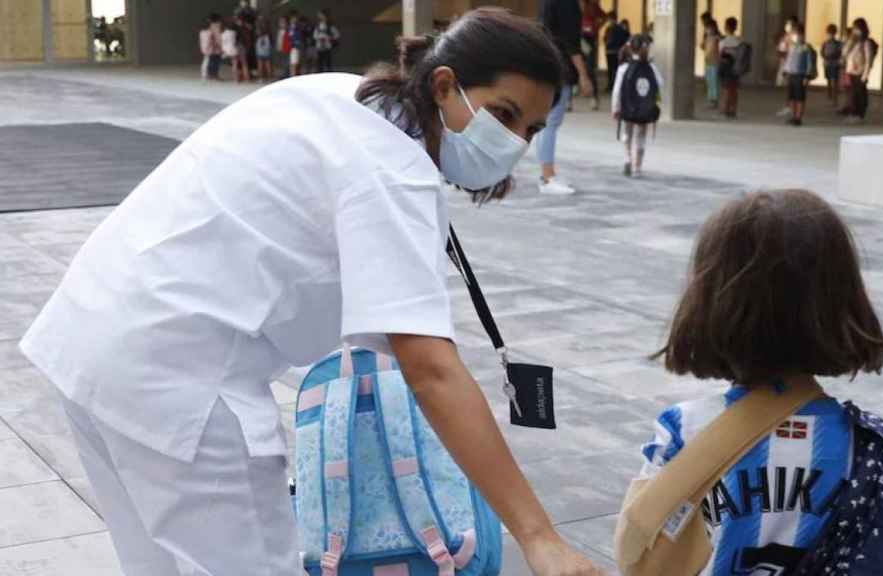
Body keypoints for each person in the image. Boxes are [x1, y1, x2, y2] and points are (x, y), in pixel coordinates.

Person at [19, 8, 604, 576]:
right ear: (446, 86)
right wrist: (540, 537)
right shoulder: (393, 169)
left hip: (91, 340)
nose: (514, 143)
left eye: (530, 129)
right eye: (503, 114)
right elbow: (430, 368)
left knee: (155, 566)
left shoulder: (341, 96)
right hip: (179, 379)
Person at [640, 189, 883, 575]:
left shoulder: (681, 432)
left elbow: (642, 552)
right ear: (842, 300)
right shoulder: (868, 447)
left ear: (707, 301)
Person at [537, 0, 593, 195]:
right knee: (550, 122)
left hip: (546, 62)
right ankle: (547, 177)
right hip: (560, 67)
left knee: (546, 123)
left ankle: (547, 173)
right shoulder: (566, 4)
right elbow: (571, 43)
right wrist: (584, 75)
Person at [612, 35, 663, 177]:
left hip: (628, 107)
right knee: (641, 135)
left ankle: (627, 158)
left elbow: (616, 90)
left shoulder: (624, 68)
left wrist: (615, 108)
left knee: (627, 132)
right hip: (645, 107)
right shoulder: (651, 67)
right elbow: (660, 83)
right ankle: (638, 167)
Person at [843, 18, 875, 124]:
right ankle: (853, 113)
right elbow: (844, 53)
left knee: (860, 94)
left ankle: (859, 114)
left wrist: (865, 75)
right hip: (851, 71)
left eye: (857, 28)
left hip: (860, 72)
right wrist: (851, 40)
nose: (855, 30)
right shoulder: (852, 41)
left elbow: (868, 60)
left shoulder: (866, 43)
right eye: (854, 28)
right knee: (852, 94)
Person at [782, 22, 813, 126]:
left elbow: (809, 62)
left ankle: (798, 117)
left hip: (800, 75)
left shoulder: (806, 47)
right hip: (791, 74)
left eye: (797, 34)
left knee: (800, 97)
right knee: (791, 97)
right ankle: (793, 115)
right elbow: (788, 60)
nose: (795, 36)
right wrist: (785, 71)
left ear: (802, 34)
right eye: (793, 34)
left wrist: (807, 76)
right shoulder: (791, 46)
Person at [581, 0, 607, 110]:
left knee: (590, 67)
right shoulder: (576, 5)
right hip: (578, 38)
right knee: (572, 66)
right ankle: (568, 98)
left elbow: (604, 17)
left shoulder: (594, 6)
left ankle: (594, 97)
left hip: (589, 38)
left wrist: (597, 26)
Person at [718, 17, 743, 119]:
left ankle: (725, 109)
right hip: (736, 67)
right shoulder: (739, 41)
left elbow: (719, 55)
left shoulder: (723, 42)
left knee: (725, 89)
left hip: (726, 67)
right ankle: (733, 109)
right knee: (734, 89)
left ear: (726, 27)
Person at [775, 15, 800, 117]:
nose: (787, 25)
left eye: (788, 24)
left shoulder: (795, 36)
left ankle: (791, 107)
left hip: (790, 64)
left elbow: (792, 49)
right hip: (785, 62)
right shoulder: (787, 35)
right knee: (788, 86)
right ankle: (789, 106)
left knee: (791, 86)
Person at [604, 13, 631, 94]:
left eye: (609, 19)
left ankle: (612, 85)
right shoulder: (613, 29)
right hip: (613, 51)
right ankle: (612, 85)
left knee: (613, 69)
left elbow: (606, 39)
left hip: (613, 51)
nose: (608, 21)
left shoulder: (613, 29)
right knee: (613, 69)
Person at [822, 24, 844, 107]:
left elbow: (840, 53)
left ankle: (835, 99)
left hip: (835, 64)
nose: (830, 34)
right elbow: (822, 52)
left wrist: (833, 56)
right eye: (829, 33)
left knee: (835, 81)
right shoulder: (825, 43)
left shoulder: (838, 43)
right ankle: (829, 96)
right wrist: (825, 57)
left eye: (832, 33)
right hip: (827, 64)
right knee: (828, 80)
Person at [702, 17, 722, 109]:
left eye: (710, 28)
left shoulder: (717, 38)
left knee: (714, 81)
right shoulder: (707, 38)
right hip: (707, 61)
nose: (708, 30)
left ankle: (714, 100)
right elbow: (703, 47)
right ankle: (711, 99)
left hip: (715, 62)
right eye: (707, 28)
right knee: (709, 81)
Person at [254, 17, 274, 82]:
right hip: (267, 46)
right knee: (268, 63)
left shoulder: (258, 29)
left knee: (260, 64)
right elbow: (272, 40)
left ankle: (261, 78)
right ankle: (270, 78)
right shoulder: (269, 30)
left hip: (260, 45)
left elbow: (256, 35)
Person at [205, 14, 224, 81]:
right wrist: (217, 45)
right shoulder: (215, 26)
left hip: (215, 46)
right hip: (216, 46)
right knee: (215, 61)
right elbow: (213, 37)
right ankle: (214, 75)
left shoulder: (213, 26)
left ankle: (211, 75)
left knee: (212, 61)